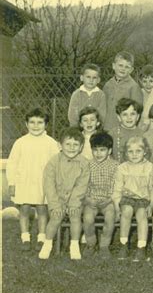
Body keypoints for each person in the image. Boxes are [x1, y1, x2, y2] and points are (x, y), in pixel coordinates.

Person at [7, 108, 59, 252]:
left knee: (42, 209)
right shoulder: (20, 142)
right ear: (26, 124)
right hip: (24, 181)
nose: (36, 126)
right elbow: (12, 163)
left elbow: (56, 163)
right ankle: (25, 237)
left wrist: (54, 183)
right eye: (32, 122)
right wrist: (12, 183)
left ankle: (41, 237)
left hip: (42, 182)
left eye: (40, 123)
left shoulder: (51, 143)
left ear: (46, 125)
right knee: (24, 209)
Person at [38, 127, 90, 260]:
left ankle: (74, 245)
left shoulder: (84, 163)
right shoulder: (53, 162)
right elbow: (49, 185)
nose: (72, 148)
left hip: (75, 199)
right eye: (68, 144)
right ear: (60, 145)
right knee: (55, 216)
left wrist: (73, 203)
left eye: (75, 145)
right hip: (58, 198)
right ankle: (47, 243)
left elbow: (82, 186)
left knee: (75, 216)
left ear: (81, 147)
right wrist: (55, 205)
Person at [112, 136, 153, 262]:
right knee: (127, 211)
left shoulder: (149, 167)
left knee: (142, 215)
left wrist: (151, 205)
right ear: (125, 153)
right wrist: (116, 207)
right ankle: (123, 244)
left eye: (138, 151)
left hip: (144, 199)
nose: (134, 155)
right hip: (127, 198)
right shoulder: (122, 168)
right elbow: (117, 189)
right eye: (130, 152)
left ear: (145, 151)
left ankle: (141, 247)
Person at [82, 132, 119, 259]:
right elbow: (83, 184)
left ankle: (104, 245)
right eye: (95, 150)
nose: (98, 153)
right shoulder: (87, 165)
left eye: (102, 150)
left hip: (108, 200)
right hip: (91, 200)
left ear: (109, 151)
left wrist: (110, 199)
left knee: (110, 217)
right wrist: (88, 199)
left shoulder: (115, 166)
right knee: (87, 219)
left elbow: (117, 186)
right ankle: (91, 243)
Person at [103, 51, 143, 131]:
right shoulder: (108, 85)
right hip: (107, 127)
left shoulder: (133, 87)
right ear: (113, 66)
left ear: (131, 70)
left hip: (124, 128)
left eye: (127, 67)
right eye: (120, 65)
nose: (123, 69)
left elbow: (137, 110)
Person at [108, 98, 144, 163]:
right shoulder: (112, 134)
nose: (129, 117)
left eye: (132, 114)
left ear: (138, 117)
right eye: (125, 114)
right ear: (119, 117)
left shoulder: (143, 134)